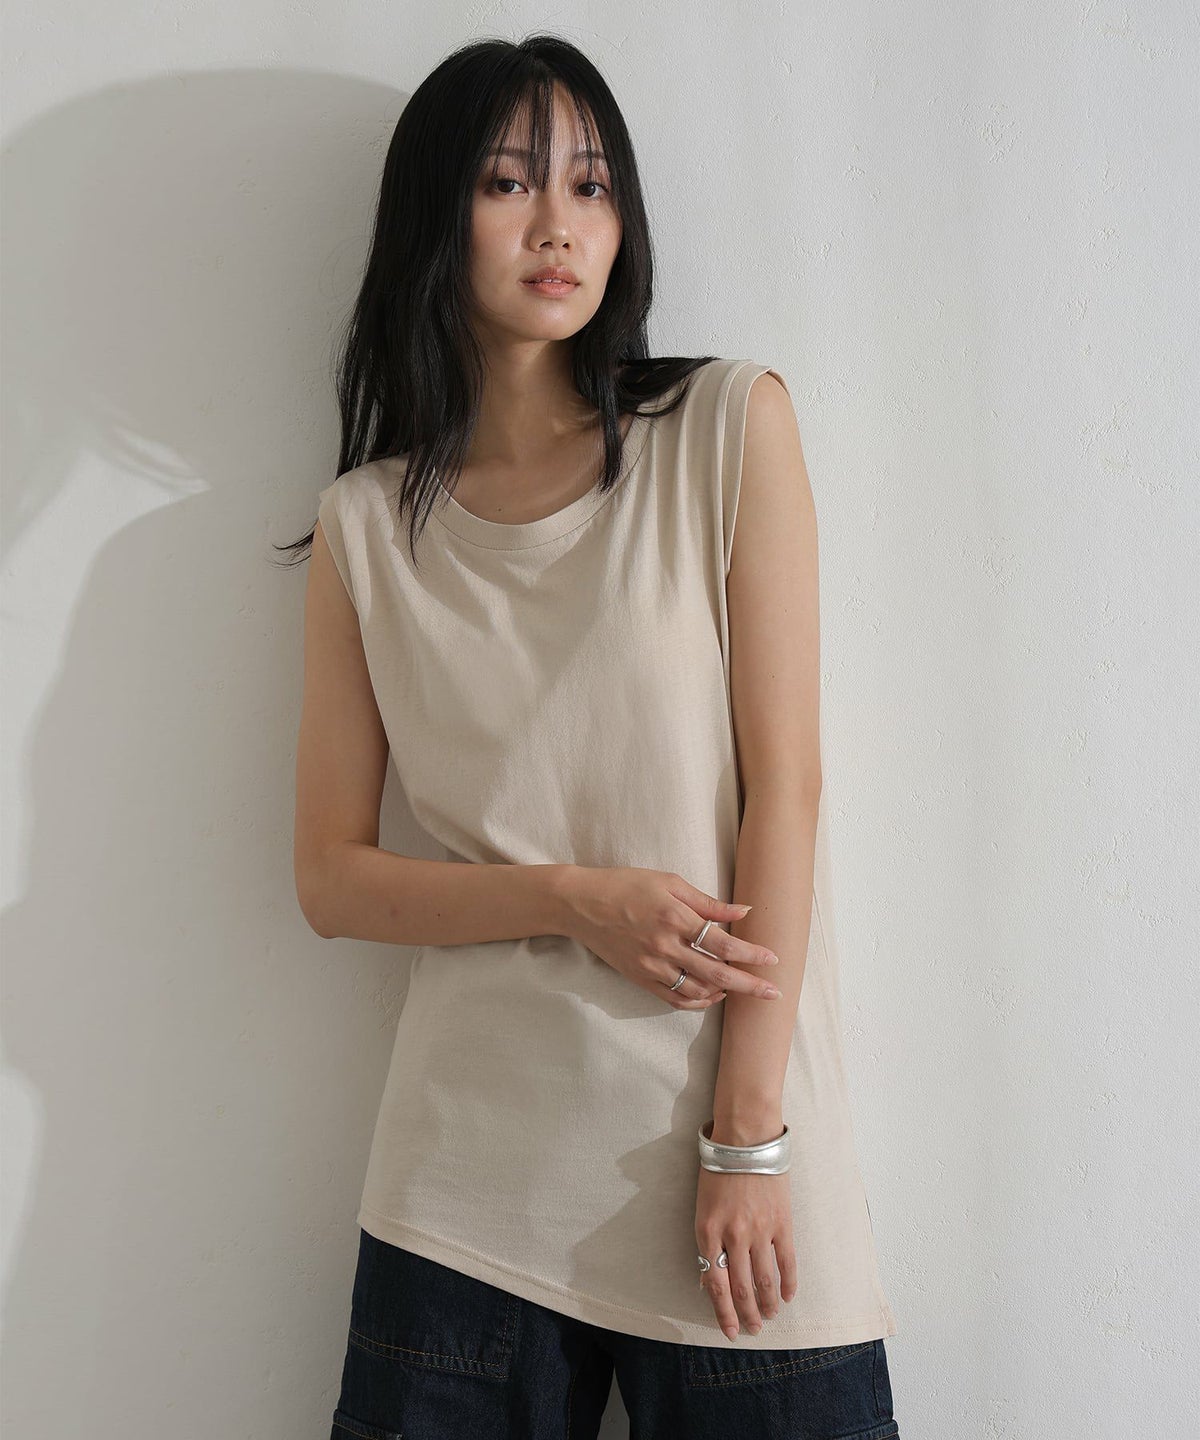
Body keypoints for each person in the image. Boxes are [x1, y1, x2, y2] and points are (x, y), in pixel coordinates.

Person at [285, 32, 900, 1440]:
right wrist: (574, 899)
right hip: (461, 1199)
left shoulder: (725, 427)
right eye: (509, 183)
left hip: (734, 1182)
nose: (559, 225)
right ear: (436, 216)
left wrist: (750, 1136)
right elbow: (330, 879)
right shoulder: (365, 528)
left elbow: (788, 790)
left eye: (592, 184)